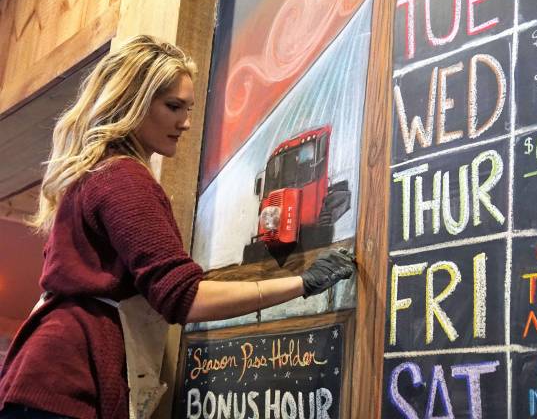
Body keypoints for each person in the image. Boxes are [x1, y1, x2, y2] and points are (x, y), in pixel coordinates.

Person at [0, 35, 356, 419]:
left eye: (187, 109)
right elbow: (183, 297)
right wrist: (301, 283)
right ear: (132, 103)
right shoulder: (123, 178)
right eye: (173, 107)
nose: (185, 123)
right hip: (70, 380)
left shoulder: (96, 173)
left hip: (46, 375)